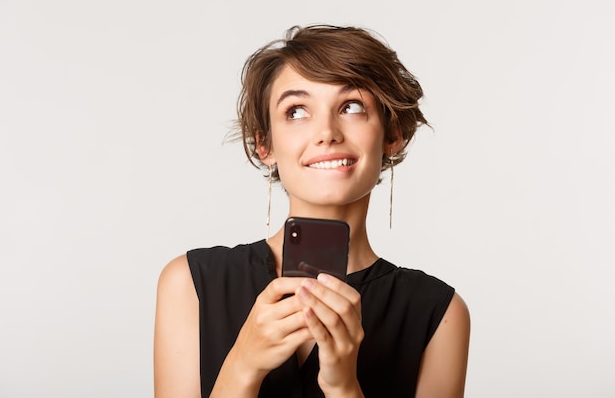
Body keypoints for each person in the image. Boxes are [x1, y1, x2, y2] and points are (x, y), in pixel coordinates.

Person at [154, 25, 470, 398]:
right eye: (297, 110)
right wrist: (243, 364)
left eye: (351, 106)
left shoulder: (439, 313)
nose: (326, 132)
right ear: (264, 144)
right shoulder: (191, 283)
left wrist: (343, 387)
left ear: (392, 134)